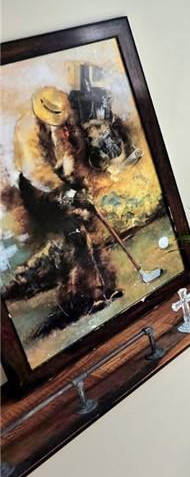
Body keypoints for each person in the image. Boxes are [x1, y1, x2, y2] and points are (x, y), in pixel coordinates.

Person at [4, 86, 121, 319]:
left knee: (91, 225)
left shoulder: (62, 120)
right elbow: (37, 174)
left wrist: (79, 186)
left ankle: (107, 285)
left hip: (62, 179)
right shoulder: (26, 130)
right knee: (76, 233)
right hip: (39, 191)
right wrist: (69, 195)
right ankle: (90, 295)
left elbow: (70, 156)